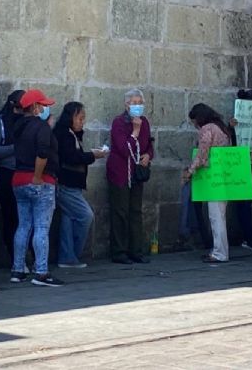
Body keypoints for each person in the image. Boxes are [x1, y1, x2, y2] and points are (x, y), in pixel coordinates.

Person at [9, 89, 64, 287]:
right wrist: (38, 177)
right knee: (41, 227)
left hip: (18, 180)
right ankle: (41, 272)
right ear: (34, 107)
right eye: (44, 105)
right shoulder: (41, 127)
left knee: (23, 225)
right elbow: (42, 153)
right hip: (39, 180)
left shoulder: (17, 126)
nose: (46, 108)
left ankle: (18, 269)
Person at [53, 102, 108, 268]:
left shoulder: (72, 135)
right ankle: (72, 254)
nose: (82, 122)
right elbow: (72, 158)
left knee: (69, 219)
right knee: (85, 215)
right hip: (65, 184)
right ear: (70, 117)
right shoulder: (64, 135)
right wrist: (93, 155)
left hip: (72, 184)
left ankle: (67, 257)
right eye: (80, 118)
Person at [107, 89, 154, 265]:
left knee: (135, 211)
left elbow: (149, 144)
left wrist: (148, 155)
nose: (137, 106)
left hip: (136, 173)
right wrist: (135, 130)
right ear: (126, 105)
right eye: (133, 103)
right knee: (120, 212)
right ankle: (119, 252)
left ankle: (136, 251)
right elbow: (124, 149)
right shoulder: (119, 122)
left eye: (139, 102)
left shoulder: (145, 122)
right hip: (120, 172)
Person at [184, 103, 232, 262]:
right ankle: (221, 250)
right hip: (224, 177)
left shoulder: (207, 129)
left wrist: (189, 172)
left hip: (212, 178)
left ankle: (219, 253)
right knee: (221, 215)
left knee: (215, 216)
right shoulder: (222, 128)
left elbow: (202, 155)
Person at [0, 90, 25, 266]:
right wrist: (15, 148)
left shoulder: (27, 122)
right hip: (7, 173)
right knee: (11, 217)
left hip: (26, 173)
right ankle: (15, 258)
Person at [230, 89, 252, 251]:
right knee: (244, 202)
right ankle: (248, 236)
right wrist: (232, 128)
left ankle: (249, 235)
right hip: (243, 163)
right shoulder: (234, 122)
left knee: (248, 200)